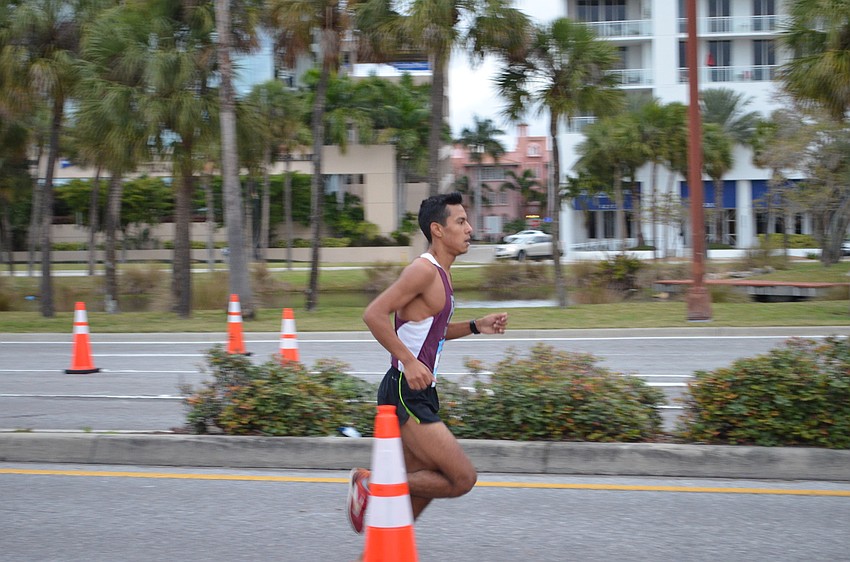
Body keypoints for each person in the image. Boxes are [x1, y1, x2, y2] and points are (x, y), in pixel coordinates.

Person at [347, 191, 509, 543]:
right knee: (461, 478)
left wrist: (475, 326)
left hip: (418, 390)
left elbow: (430, 331)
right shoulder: (422, 270)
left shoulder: (442, 274)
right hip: (405, 391)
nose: (469, 229)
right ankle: (371, 483)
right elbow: (374, 314)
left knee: (414, 498)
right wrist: (408, 361)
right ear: (438, 229)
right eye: (460, 222)